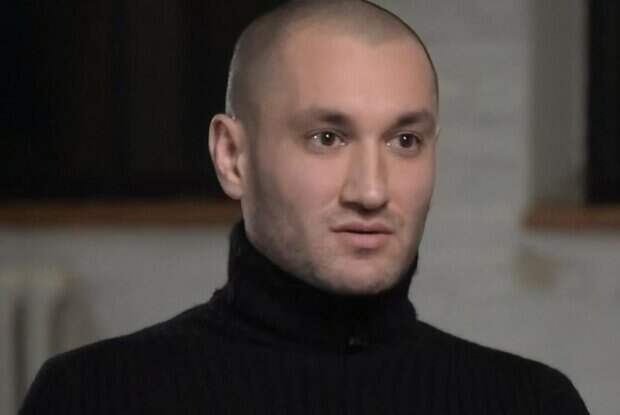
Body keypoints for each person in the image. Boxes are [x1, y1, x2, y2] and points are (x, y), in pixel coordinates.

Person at [21, 0, 590, 413]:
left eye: (404, 140)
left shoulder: (529, 403)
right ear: (232, 157)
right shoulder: (95, 395)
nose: (371, 191)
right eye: (327, 138)